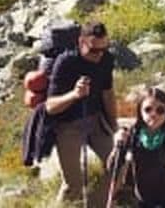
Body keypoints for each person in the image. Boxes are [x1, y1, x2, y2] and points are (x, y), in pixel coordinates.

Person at [45, 21, 118, 205]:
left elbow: (108, 93)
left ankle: (96, 204)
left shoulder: (106, 59)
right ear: (81, 42)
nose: (99, 55)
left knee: (119, 165)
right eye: (94, 50)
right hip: (68, 125)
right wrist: (74, 95)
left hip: (95, 119)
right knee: (73, 186)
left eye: (104, 48)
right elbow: (50, 106)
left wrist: (113, 123)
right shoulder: (66, 62)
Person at [108, 87, 165, 208]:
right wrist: (117, 146)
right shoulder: (133, 134)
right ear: (140, 111)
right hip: (141, 196)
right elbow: (113, 167)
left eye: (160, 110)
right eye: (148, 109)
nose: (153, 114)